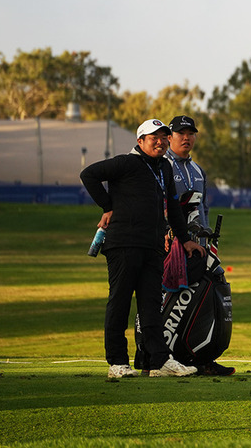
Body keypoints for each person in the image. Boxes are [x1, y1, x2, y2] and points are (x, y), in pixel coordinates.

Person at [80, 118, 206, 378]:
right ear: (140, 141)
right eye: (153, 137)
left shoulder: (164, 169)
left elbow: (172, 207)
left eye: (162, 137)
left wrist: (184, 239)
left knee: (151, 306)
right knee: (120, 302)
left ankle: (159, 360)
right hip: (124, 243)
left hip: (152, 247)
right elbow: (88, 174)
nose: (159, 141)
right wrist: (107, 206)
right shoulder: (127, 162)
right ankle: (117, 362)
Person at [165, 114, 235, 377]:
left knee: (205, 298)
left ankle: (202, 356)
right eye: (181, 133)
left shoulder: (197, 171)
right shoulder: (162, 166)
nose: (186, 137)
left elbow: (202, 210)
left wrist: (205, 245)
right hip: (169, 246)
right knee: (169, 301)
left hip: (198, 249)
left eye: (191, 133)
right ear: (169, 137)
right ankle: (166, 357)